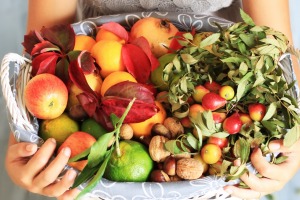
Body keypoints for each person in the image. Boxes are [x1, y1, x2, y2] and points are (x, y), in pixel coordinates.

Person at [5, 0, 300, 200]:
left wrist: (295, 141)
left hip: (221, 76)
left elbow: (279, 48)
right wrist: (23, 138)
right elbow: (45, 49)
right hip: (96, 65)